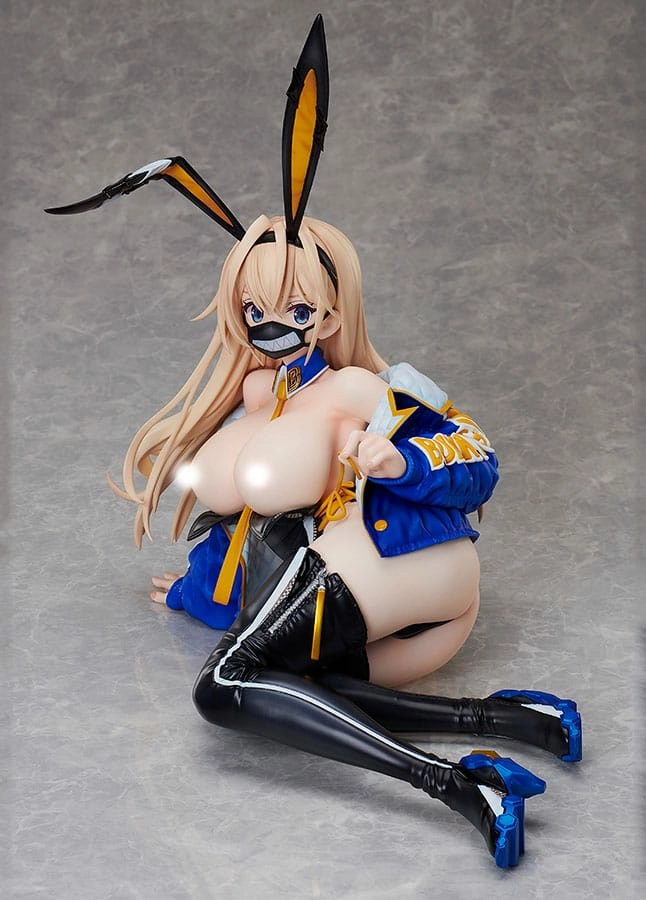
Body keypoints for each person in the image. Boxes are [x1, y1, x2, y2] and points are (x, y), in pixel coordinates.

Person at [46, 14, 581, 869]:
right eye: (255, 309)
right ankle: (519, 720)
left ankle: (461, 784)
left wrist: (399, 459)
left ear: (329, 313)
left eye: (295, 309)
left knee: (224, 686)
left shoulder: (360, 388)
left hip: (408, 568)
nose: (273, 324)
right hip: (347, 584)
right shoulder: (262, 395)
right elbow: (256, 527)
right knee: (280, 678)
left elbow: (479, 457)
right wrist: (199, 590)